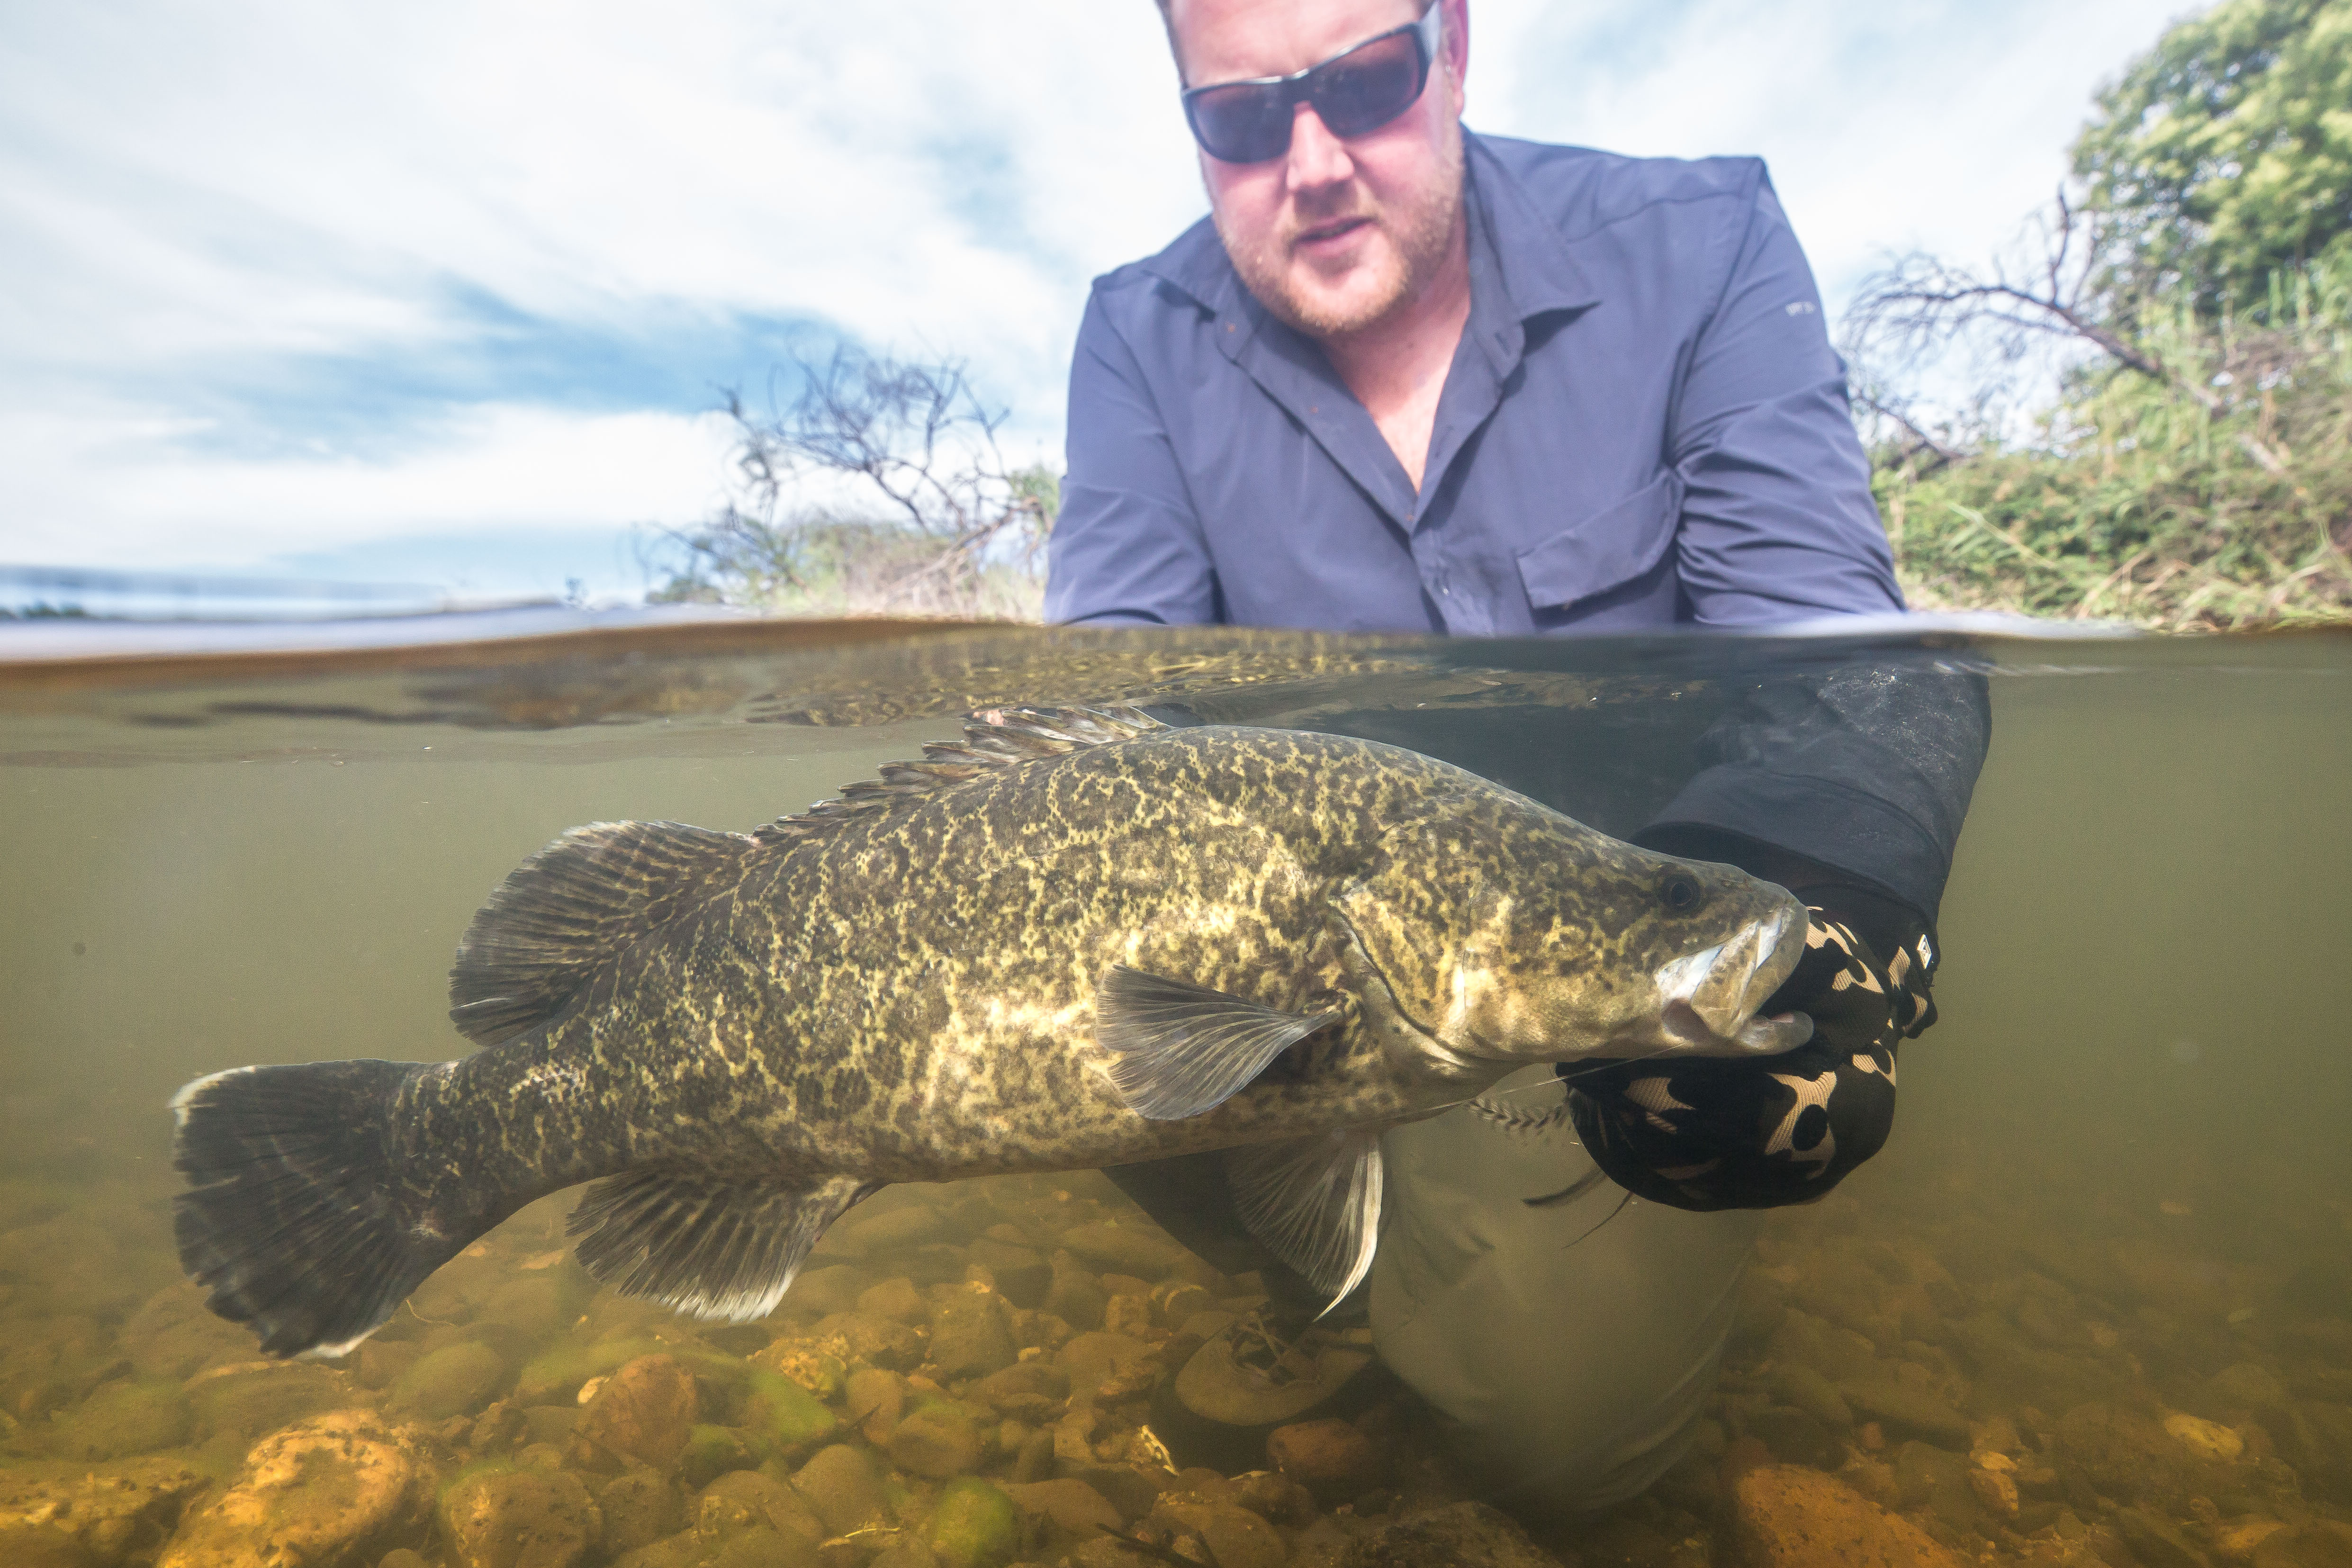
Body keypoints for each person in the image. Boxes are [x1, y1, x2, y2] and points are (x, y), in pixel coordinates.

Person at [1045, 0, 1987, 1513]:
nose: (1310, 162)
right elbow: (1097, 721)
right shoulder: (1138, 336)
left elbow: (1839, 648)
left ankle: (1493, 1245)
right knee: (1065, 1042)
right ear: (1188, 115)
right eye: (1237, 117)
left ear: (1455, 45)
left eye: (1364, 82)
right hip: (1289, 968)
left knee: (1562, 1455)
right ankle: (1337, 1271)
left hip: (1588, 996)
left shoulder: (1703, 240)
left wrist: (1829, 897)